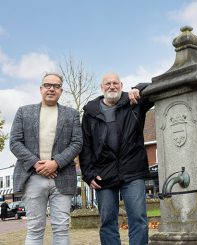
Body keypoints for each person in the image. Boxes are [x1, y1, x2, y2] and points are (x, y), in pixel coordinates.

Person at [79, 72, 154, 245]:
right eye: (107, 84)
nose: (111, 86)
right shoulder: (90, 112)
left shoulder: (134, 103)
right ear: (101, 88)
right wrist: (88, 174)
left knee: (138, 219)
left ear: (121, 85)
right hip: (103, 174)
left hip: (132, 171)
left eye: (115, 83)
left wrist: (137, 88)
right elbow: (86, 146)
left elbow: (152, 87)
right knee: (107, 223)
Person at [10, 72, 83, 244]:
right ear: (40, 88)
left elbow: (77, 143)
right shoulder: (23, 112)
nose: (51, 89)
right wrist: (37, 164)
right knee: (35, 228)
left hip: (62, 177)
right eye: (47, 85)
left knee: (62, 228)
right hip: (32, 177)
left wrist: (56, 163)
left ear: (61, 91)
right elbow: (14, 142)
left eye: (56, 86)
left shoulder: (71, 114)